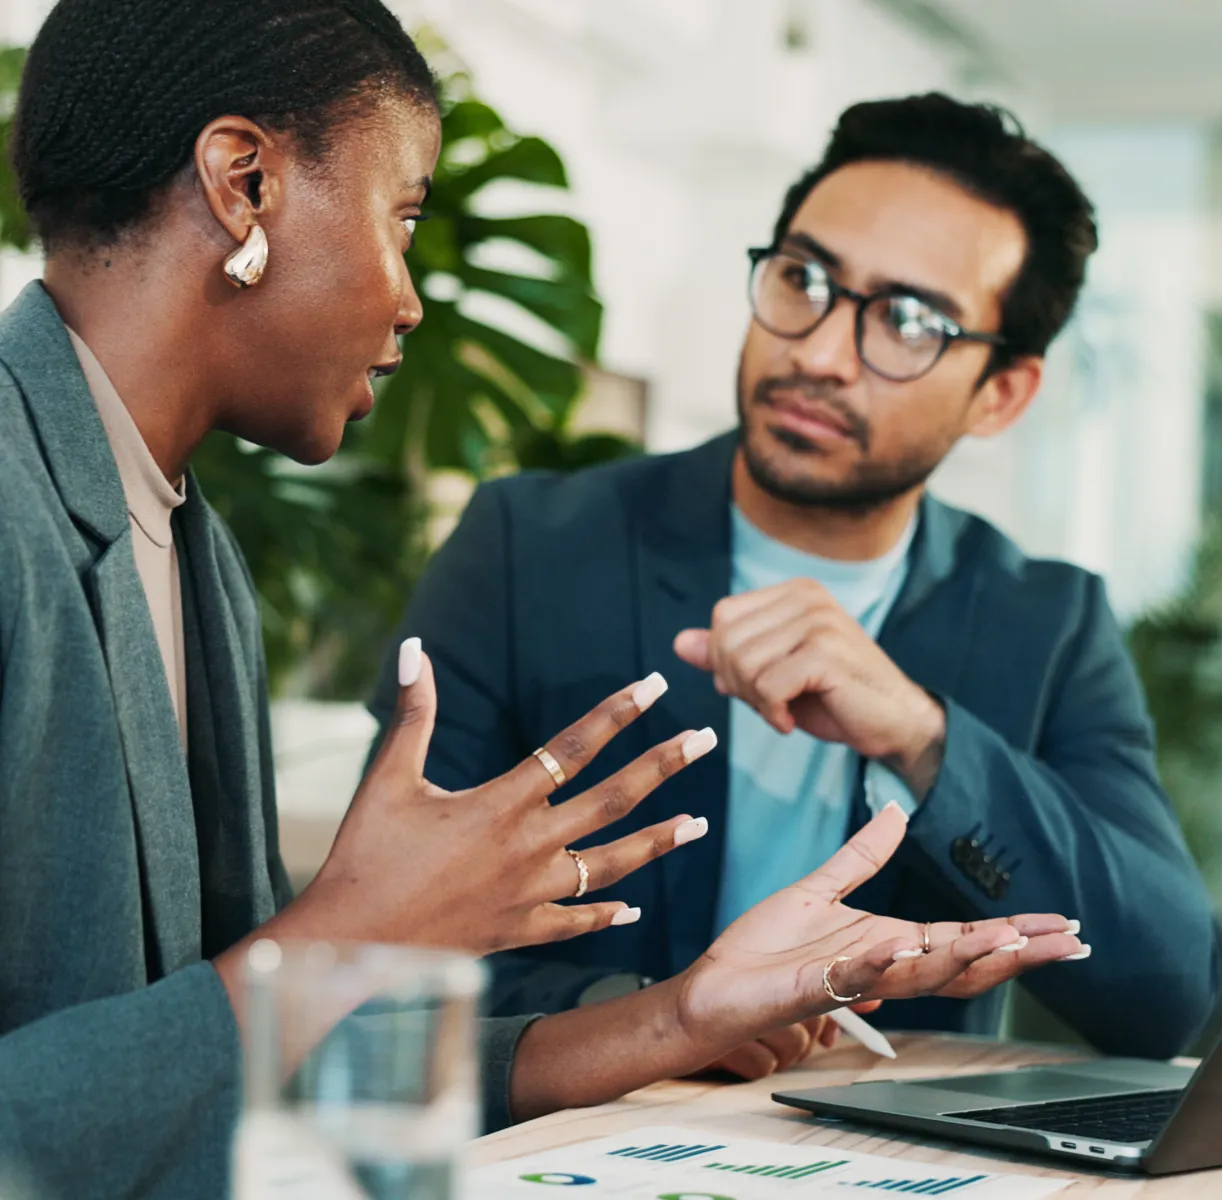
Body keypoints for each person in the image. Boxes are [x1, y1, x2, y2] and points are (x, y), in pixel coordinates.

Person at [0, 5, 1082, 1195]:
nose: (409, 299)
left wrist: (684, 1016)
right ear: (242, 182)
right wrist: (348, 940)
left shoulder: (196, 553)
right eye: (401, 216)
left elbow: (250, 1070)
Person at [371, 93, 1222, 1080]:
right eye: (804, 279)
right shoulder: (532, 548)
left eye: (908, 322)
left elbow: (1165, 989)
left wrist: (921, 737)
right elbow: (379, 948)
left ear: (1000, 394)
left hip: (890, 1163)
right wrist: (653, 1021)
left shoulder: (1047, 622)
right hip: (580, 1135)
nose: (817, 353)